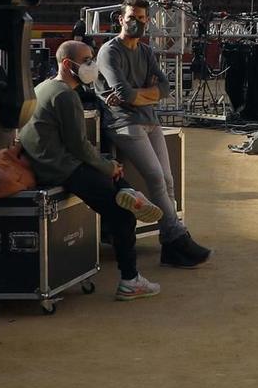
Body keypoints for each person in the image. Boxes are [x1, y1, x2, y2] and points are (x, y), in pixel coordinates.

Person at [18, 40, 161, 301]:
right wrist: (106, 167)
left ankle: (127, 191)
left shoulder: (43, 87)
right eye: (86, 61)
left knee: (112, 173)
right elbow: (79, 147)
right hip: (62, 170)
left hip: (50, 163)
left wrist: (106, 166)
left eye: (92, 59)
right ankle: (130, 281)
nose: (92, 65)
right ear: (66, 64)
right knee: (124, 217)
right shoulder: (65, 95)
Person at [96, 0, 210, 268]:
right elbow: (125, 94)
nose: (136, 22)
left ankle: (171, 243)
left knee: (168, 180)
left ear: (148, 21)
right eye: (131, 17)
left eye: (142, 18)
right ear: (120, 19)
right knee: (157, 178)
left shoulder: (145, 51)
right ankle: (176, 239)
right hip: (124, 123)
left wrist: (140, 96)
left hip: (148, 119)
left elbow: (165, 88)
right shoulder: (109, 51)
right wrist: (146, 94)